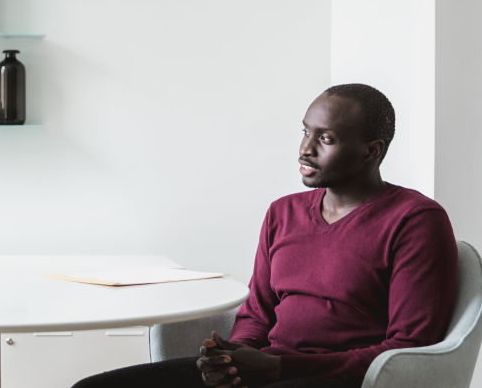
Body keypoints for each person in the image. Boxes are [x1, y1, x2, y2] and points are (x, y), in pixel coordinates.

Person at [72, 84, 458, 388]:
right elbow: (258, 312)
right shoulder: (283, 212)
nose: (304, 149)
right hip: (269, 368)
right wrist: (233, 359)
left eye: (326, 139)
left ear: (370, 151)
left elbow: (409, 348)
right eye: (306, 132)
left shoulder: (415, 220)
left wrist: (279, 368)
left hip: (347, 378)